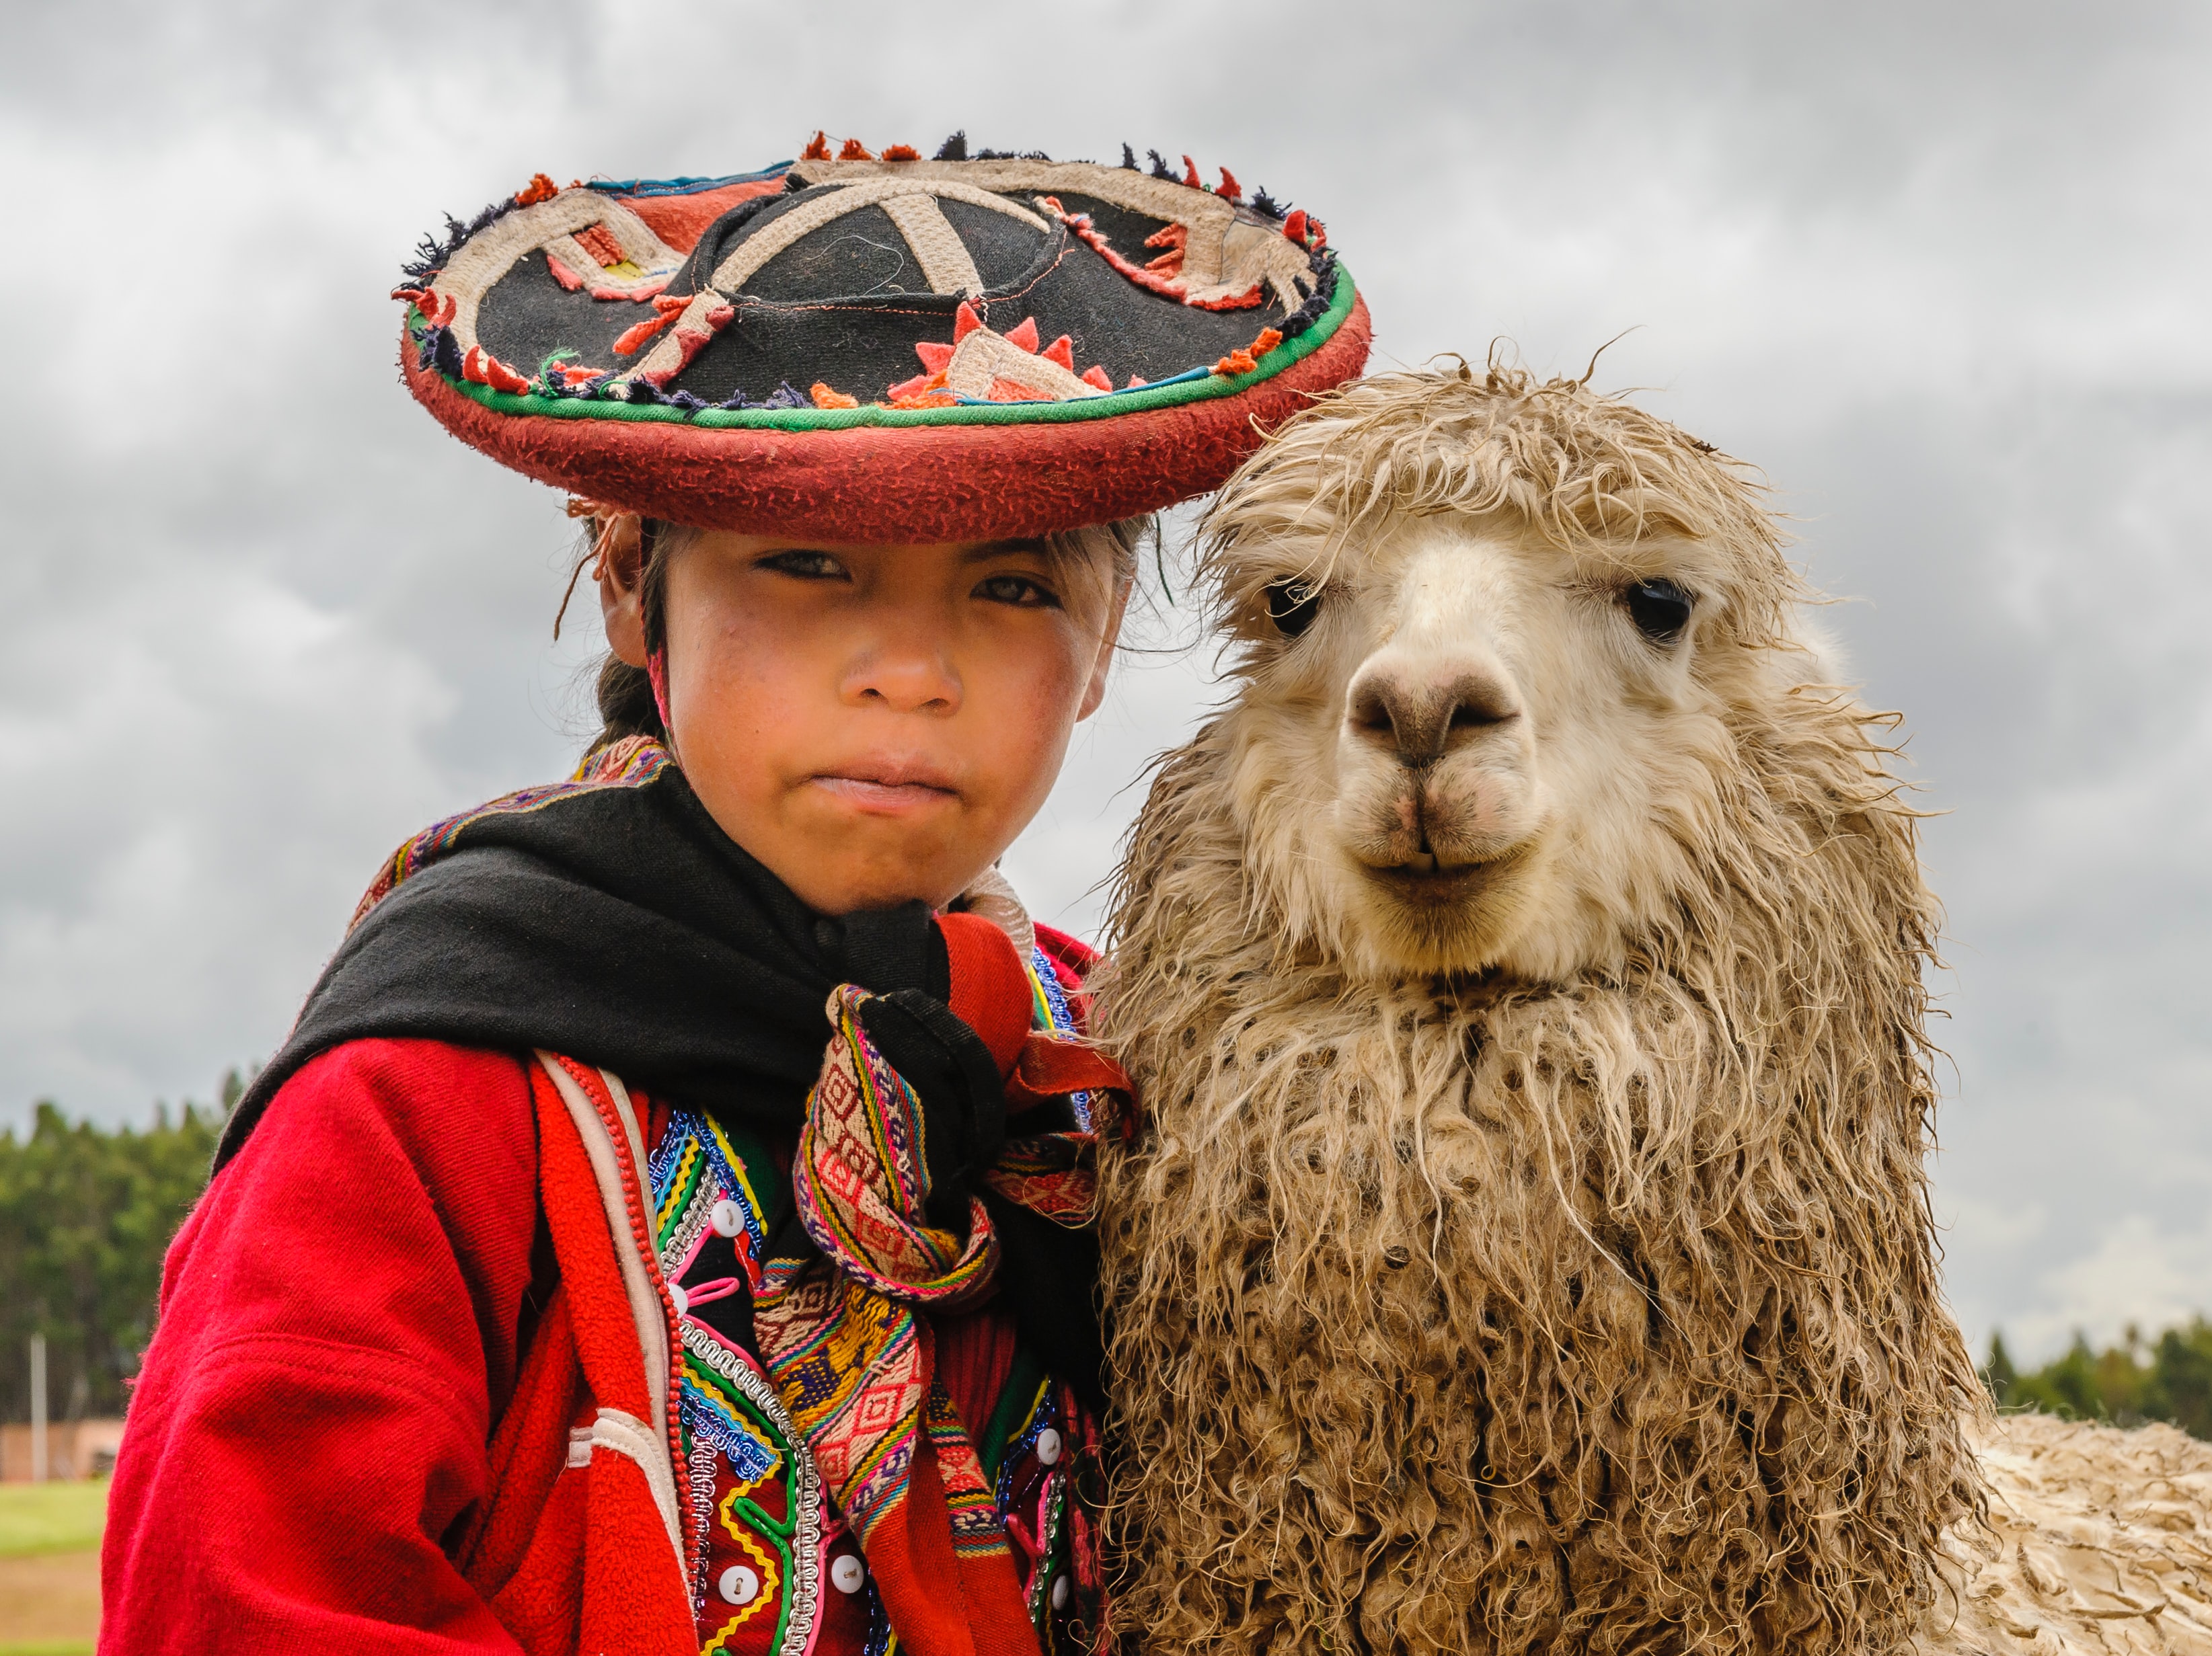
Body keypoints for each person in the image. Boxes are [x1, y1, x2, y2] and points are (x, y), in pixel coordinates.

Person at [100, 136, 1369, 1656]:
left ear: (1100, 651)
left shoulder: (1124, 1066)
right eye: (810, 565)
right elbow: (238, 1601)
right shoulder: (425, 1092)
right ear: (637, 582)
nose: (911, 668)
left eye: (1015, 586)